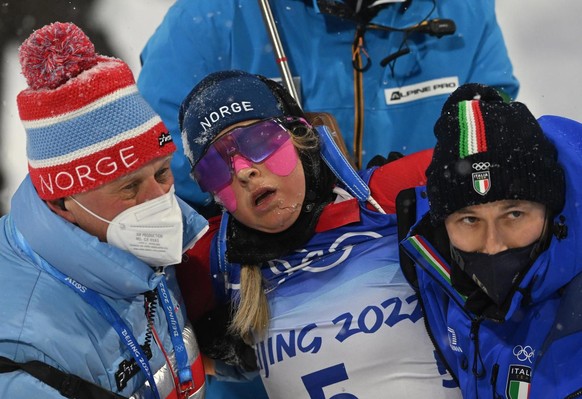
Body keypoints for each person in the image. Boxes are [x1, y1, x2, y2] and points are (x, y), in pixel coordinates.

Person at [176, 69, 462, 398]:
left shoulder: (386, 197)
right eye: (215, 167)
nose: (243, 171)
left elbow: (522, 156)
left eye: (256, 140)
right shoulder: (219, 262)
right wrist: (228, 359)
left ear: (299, 135)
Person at [137, 0, 519, 216]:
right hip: (280, 283)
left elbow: (492, 134)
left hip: (432, 257)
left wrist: (402, 190)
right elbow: (156, 160)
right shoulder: (211, 17)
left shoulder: (467, 10)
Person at [0, 22, 209, 398]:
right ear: (62, 203)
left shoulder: (135, 246)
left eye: (162, 173)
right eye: (128, 188)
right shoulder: (22, 354)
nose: (158, 199)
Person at [398, 83, 582, 398]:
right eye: (469, 220)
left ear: (552, 209)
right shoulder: (437, 272)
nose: (493, 244)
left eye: (514, 215)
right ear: (443, 225)